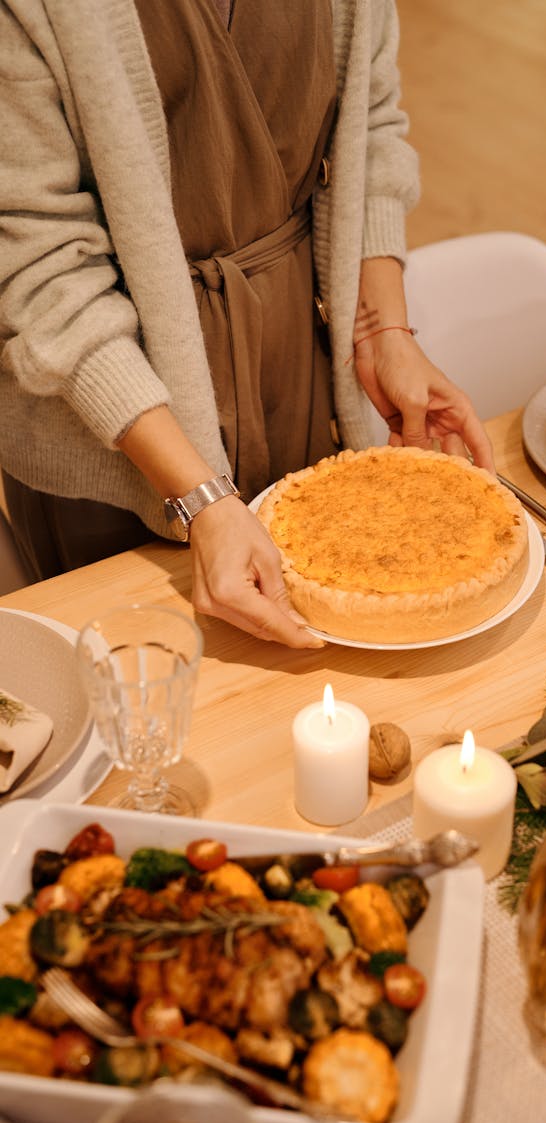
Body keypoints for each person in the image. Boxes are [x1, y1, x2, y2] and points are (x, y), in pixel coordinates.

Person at [0, 0, 495, 648]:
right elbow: (39, 261)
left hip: (299, 369)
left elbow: (367, 121)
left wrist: (382, 331)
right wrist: (197, 494)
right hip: (112, 424)